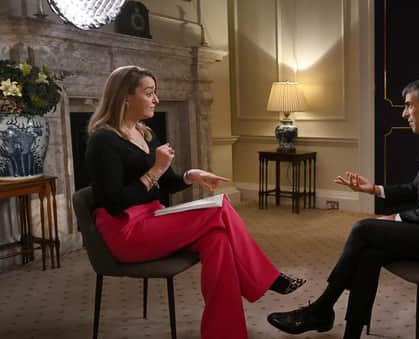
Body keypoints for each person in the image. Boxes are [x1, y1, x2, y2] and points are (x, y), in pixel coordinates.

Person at [85, 65, 305, 339]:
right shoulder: (103, 140)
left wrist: (190, 176)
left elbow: (164, 182)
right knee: (220, 207)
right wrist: (155, 169)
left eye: (156, 93)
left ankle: (224, 333)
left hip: (153, 219)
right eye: (149, 93)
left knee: (218, 239)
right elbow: (115, 203)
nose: (156, 100)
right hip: (126, 232)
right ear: (125, 98)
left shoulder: (141, 132)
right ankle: (268, 278)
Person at [267, 78, 419, 338]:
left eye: (408, 106)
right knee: (369, 253)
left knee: (363, 228)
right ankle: (348, 331)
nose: (405, 113)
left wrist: (397, 218)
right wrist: (373, 189)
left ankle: (322, 309)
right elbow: (417, 189)